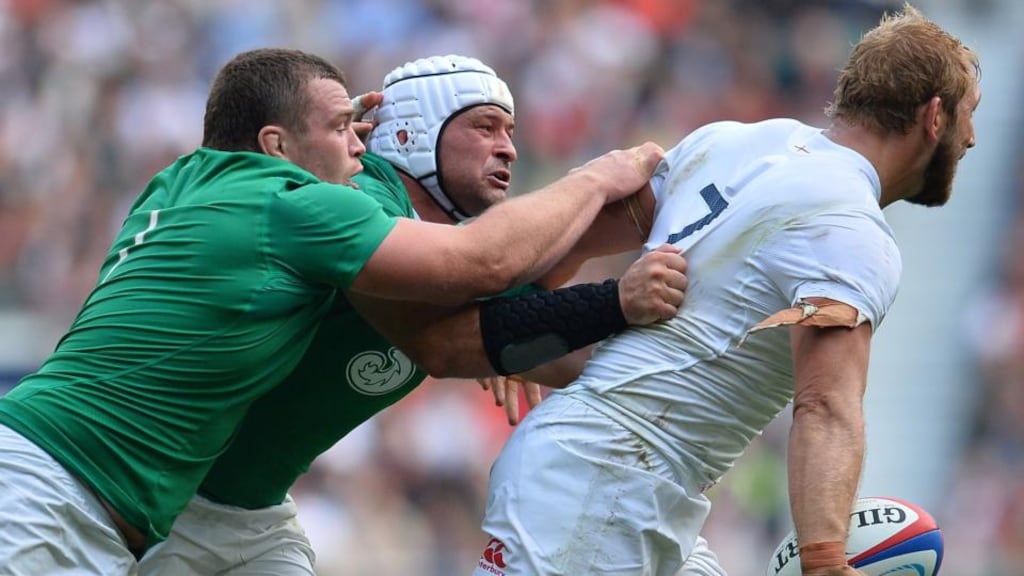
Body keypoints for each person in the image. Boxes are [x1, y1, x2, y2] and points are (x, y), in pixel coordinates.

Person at [0, 48, 671, 575]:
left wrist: (315, 117)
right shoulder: (304, 205)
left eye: (360, 125)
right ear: (278, 147)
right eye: (344, 128)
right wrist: (601, 186)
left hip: (215, 510)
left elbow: (504, 284)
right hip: (66, 488)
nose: (359, 143)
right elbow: (468, 296)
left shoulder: (195, 177)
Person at [474, 6, 981, 576]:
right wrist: (824, 562)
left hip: (621, 479)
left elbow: (574, 231)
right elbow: (824, 404)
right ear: (934, 116)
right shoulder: (854, 226)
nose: (972, 138)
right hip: (606, 484)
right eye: (968, 115)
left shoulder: (733, 142)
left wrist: (517, 307)